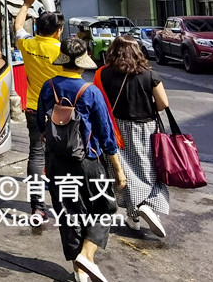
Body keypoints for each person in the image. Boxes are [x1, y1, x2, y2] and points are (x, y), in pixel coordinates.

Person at [37, 38, 126, 282]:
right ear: (82, 62)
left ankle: (79, 271)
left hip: (56, 161)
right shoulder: (90, 92)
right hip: (87, 162)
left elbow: (40, 125)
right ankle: (86, 257)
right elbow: (106, 135)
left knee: (69, 214)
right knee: (105, 207)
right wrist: (118, 170)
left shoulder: (48, 87)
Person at [97, 35, 170, 238]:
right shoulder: (149, 74)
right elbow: (163, 103)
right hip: (146, 127)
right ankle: (145, 205)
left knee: (124, 172)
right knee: (150, 168)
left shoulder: (104, 74)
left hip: (117, 128)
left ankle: (134, 214)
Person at [13, 0, 66, 223]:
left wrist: (26, 5)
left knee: (35, 155)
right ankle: (64, 203)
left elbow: (17, 26)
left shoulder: (28, 44)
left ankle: (37, 207)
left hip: (34, 108)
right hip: (60, 113)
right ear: (57, 31)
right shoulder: (62, 52)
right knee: (62, 157)